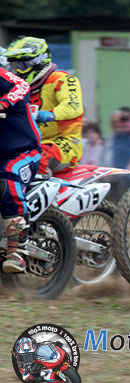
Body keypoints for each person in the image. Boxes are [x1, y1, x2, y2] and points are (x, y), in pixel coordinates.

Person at [3, 37, 84, 175]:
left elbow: (73, 106)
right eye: (14, 66)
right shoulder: (18, 90)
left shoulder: (62, 79)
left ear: (39, 61)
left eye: (22, 66)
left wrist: (49, 114)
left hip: (64, 143)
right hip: (26, 144)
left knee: (34, 161)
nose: (16, 72)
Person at [0, 67, 42, 273]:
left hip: (23, 150)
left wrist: (3, 102)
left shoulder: (3, 77)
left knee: (9, 176)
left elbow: (22, 85)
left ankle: (17, 250)